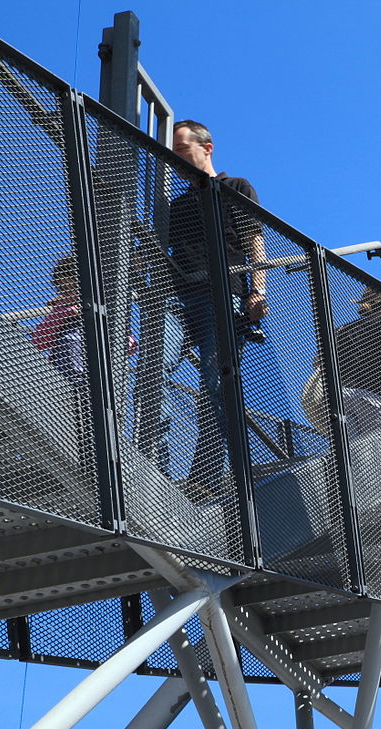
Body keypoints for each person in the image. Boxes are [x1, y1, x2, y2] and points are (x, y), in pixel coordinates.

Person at [158, 119, 268, 498]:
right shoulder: (176, 204)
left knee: (215, 381)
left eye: (181, 149)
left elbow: (256, 240)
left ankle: (209, 478)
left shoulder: (236, 187)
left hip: (223, 293)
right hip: (177, 296)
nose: (174, 158)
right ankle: (154, 466)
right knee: (154, 367)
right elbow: (157, 254)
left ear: (206, 147)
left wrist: (258, 291)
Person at [32, 256, 86, 384]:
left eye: (72, 288)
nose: (70, 294)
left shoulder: (106, 308)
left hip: (98, 369)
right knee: (70, 331)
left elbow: (131, 345)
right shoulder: (62, 308)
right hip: (70, 376)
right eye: (64, 290)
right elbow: (38, 341)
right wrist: (66, 311)